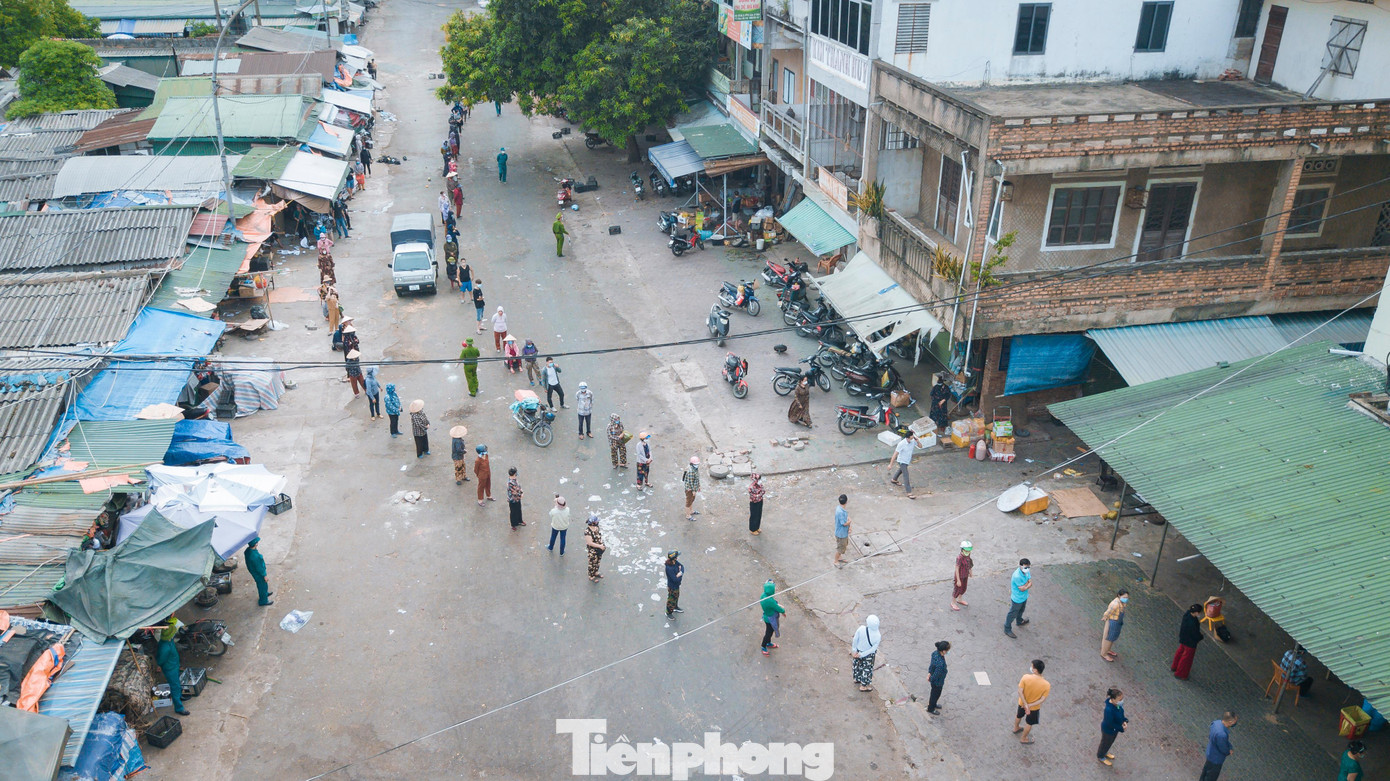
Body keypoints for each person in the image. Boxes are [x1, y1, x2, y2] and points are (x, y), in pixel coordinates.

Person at [156, 617, 191, 715]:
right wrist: (160, 666)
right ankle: (179, 708)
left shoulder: (168, 641)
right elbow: (160, 660)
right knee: (174, 687)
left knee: (177, 683)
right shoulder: (164, 647)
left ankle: (180, 696)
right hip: (170, 669)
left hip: (174, 665)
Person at [1012, 659, 1050, 744]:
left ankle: (1016, 728)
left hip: (1022, 703)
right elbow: (1042, 699)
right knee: (1029, 723)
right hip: (1034, 708)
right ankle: (1023, 738)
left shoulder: (1025, 677)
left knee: (1019, 715)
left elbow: (1020, 691)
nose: (1031, 668)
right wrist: (1029, 705)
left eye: (1032, 666)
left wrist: (1025, 704)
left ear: (1035, 670)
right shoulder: (1046, 685)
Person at [1200, 711, 1237, 781]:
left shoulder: (1216, 723)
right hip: (1216, 759)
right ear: (1230, 722)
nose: (1235, 723)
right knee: (1211, 777)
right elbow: (1223, 748)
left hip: (1210, 752)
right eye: (1234, 721)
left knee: (1205, 772)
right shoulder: (1222, 734)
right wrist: (1229, 751)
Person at [1172, 603, 1204, 680]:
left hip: (1183, 638)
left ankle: (1175, 666)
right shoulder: (1192, 623)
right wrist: (1200, 637)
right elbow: (1195, 634)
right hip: (1190, 642)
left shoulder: (1187, 615)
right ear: (1196, 612)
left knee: (1180, 652)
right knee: (1186, 658)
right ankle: (1180, 673)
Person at [850, 615, 882, 692]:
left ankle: (857, 678)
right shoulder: (878, 636)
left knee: (857, 666)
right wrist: (862, 654)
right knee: (866, 669)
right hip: (868, 655)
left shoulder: (861, 629)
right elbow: (873, 649)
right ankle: (864, 686)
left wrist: (854, 651)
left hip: (858, 651)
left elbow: (855, 639)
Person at [1097, 688, 1127, 766]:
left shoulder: (1117, 705)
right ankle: (1101, 756)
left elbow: (1121, 714)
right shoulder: (1109, 710)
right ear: (1113, 699)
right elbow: (1110, 723)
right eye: (1119, 699)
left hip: (1114, 730)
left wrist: (1124, 721)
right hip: (1108, 730)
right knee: (1105, 743)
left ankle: (1105, 752)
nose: (1121, 701)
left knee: (1110, 742)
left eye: (1122, 699)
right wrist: (1121, 728)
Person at [1004, 558, 1033, 638]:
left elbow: (1029, 582)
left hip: (1024, 597)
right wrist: (1028, 584)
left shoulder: (1026, 571)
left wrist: (1026, 585)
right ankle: (1007, 628)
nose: (1027, 569)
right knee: (1012, 613)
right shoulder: (1017, 575)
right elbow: (1023, 588)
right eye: (1025, 567)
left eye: (1028, 567)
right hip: (1017, 599)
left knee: (1021, 610)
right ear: (1020, 566)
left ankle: (1019, 621)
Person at [887, 431, 921, 499]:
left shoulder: (913, 441)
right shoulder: (901, 444)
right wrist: (890, 464)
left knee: (901, 470)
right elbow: (895, 454)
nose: (912, 438)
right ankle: (909, 492)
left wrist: (918, 441)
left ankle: (894, 479)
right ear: (908, 438)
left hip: (907, 460)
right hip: (902, 461)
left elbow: (920, 446)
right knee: (906, 475)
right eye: (911, 437)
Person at [1101, 589, 1129, 662]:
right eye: (1124, 597)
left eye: (1127, 598)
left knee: (1113, 638)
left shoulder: (1122, 603)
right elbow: (1108, 612)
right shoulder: (1115, 604)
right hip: (1113, 622)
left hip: (1118, 622)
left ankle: (1108, 650)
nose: (1126, 599)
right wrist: (1105, 617)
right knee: (1109, 638)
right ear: (1119, 595)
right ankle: (1104, 653)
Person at [244, 537, 272, 607]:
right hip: (258, 574)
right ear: (256, 544)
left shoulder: (248, 551)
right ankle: (263, 601)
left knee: (262, 586)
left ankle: (265, 594)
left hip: (253, 571)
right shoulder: (255, 557)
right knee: (262, 585)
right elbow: (260, 568)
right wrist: (264, 575)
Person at [760, 580, 784, 656]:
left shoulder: (763, 595)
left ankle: (768, 642)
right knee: (768, 633)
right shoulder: (770, 600)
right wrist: (783, 611)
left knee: (769, 632)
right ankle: (764, 646)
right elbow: (777, 608)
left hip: (766, 616)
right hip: (770, 619)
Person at [926, 641, 949, 715]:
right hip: (938, 682)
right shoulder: (941, 664)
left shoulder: (935, 653)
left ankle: (933, 704)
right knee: (935, 694)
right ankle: (931, 708)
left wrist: (929, 673)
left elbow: (932, 665)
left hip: (933, 679)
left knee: (934, 694)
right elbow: (937, 674)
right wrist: (931, 679)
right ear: (944, 651)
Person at [950, 540, 973, 610]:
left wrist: (970, 571)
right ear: (962, 549)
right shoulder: (959, 558)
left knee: (963, 588)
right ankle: (953, 602)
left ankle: (959, 599)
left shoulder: (968, 555)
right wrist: (958, 580)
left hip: (965, 575)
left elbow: (969, 563)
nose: (967, 552)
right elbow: (957, 569)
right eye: (966, 551)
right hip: (959, 576)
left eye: (968, 551)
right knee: (957, 589)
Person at [584, 515, 605, 581]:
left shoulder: (596, 527)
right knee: (592, 563)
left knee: (598, 561)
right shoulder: (587, 532)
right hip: (592, 550)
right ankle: (591, 575)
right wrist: (600, 546)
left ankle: (595, 572)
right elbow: (590, 543)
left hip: (599, 548)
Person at [664, 551, 684, 618]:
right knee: (671, 600)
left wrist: (680, 573)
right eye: (676, 556)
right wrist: (680, 575)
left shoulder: (675, 563)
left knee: (676, 596)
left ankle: (675, 607)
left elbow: (682, 566)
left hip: (676, 586)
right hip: (672, 587)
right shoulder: (669, 568)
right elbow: (675, 580)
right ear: (674, 558)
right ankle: (668, 612)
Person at [833, 494, 851, 566]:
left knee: (843, 545)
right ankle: (835, 561)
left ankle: (839, 557)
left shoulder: (839, 508)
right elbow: (844, 523)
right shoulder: (840, 512)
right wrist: (850, 521)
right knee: (840, 548)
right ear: (846, 502)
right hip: (841, 534)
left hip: (841, 532)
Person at [682, 456, 700, 520]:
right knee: (688, 502)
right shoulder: (690, 471)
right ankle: (688, 515)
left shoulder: (694, 469)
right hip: (690, 489)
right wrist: (693, 491)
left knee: (691, 500)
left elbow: (696, 479)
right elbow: (690, 482)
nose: (697, 465)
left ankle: (691, 511)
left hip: (693, 488)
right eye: (696, 464)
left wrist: (698, 486)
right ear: (692, 464)